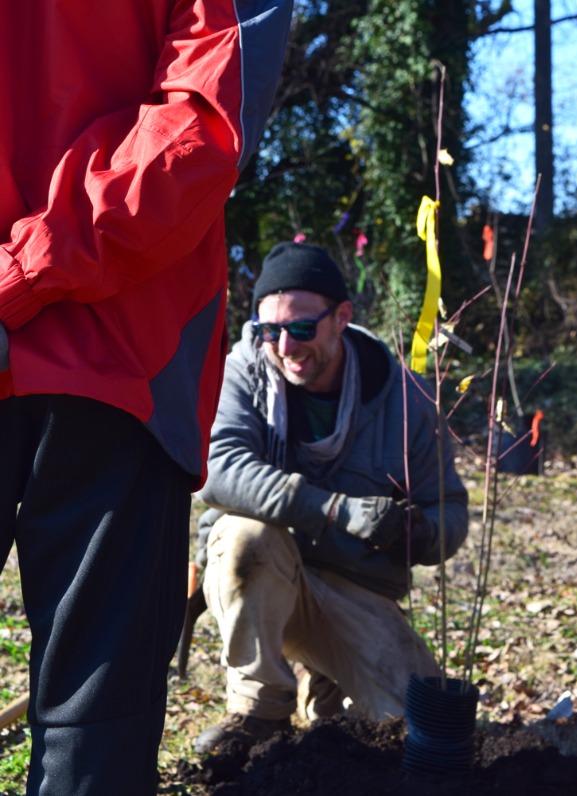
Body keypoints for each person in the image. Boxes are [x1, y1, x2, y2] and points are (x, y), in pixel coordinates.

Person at [0, 2, 293, 794]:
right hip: (130, 353)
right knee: (92, 729)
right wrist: (25, 271)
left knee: (94, 721)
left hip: (126, 367)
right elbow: (201, 133)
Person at [195, 240, 469, 753]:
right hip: (266, 578)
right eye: (269, 330)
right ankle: (259, 716)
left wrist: (419, 532)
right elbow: (216, 470)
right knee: (243, 535)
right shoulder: (244, 371)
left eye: (302, 329)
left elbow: (449, 507)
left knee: (420, 730)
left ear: (342, 317)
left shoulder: (405, 399)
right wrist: (335, 510)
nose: (285, 346)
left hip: (356, 586)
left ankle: (325, 683)